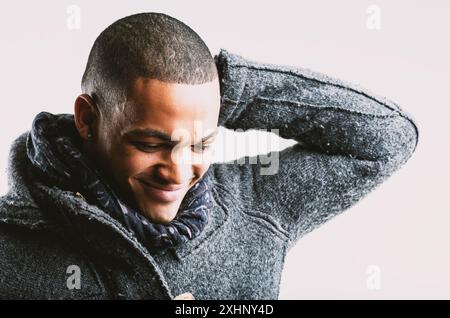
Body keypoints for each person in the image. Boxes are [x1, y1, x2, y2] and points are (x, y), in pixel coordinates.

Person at [0, 12, 419, 299]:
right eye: (152, 144)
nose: (178, 172)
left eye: (200, 144)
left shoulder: (255, 204)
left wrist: (228, 90)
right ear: (88, 119)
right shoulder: (11, 246)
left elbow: (388, 137)